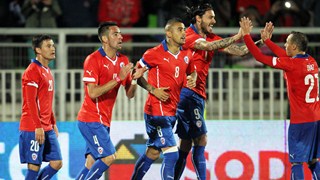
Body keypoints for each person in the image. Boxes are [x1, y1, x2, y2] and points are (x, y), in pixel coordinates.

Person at [173, 3, 263, 180]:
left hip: (197, 95)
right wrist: (237, 35)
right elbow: (208, 47)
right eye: (210, 17)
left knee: (185, 144)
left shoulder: (211, 37)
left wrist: (260, 40)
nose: (214, 20)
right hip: (187, 93)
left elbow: (240, 51)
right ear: (198, 19)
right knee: (201, 138)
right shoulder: (188, 35)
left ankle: (172, 178)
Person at [240, 16, 320, 179]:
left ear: (295, 46)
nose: (285, 44)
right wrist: (267, 41)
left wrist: (246, 35)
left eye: (287, 42)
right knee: (313, 160)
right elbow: (285, 56)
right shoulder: (311, 61)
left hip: (300, 122)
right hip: (316, 119)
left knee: (297, 162)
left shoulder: (291, 65)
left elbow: (260, 57)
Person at [130, 18, 197, 180]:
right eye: (179, 30)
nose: (184, 33)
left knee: (153, 152)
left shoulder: (187, 53)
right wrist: (153, 90)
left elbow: (192, 71)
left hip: (171, 111)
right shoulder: (153, 53)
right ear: (168, 33)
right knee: (172, 154)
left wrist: (193, 78)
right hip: (156, 112)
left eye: (184, 30)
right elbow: (136, 74)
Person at [75, 21, 141, 180]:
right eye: (115, 34)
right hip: (90, 119)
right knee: (109, 157)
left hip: (103, 121)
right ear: (104, 39)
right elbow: (92, 93)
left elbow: (130, 95)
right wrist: (119, 78)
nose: (121, 37)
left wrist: (134, 80)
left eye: (120, 34)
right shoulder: (93, 59)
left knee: (91, 162)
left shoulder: (123, 60)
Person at [19, 34, 62, 179]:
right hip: (33, 126)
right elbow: (30, 101)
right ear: (38, 50)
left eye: (53, 45)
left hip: (47, 126)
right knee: (34, 166)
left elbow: (46, 102)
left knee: (57, 162)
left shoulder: (47, 71)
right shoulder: (32, 71)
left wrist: (53, 122)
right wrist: (37, 126)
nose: (53, 49)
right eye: (48, 46)